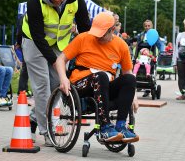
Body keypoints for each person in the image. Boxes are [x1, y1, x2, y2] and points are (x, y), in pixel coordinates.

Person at [21, 0, 91, 146]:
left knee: (57, 86)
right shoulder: (35, 1)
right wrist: (56, 62)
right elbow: (38, 37)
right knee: (43, 86)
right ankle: (47, 132)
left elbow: (85, 28)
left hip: (58, 44)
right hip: (34, 42)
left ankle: (32, 121)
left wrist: (89, 53)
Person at [56, 12, 139, 143]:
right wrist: (63, 78)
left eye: (101, 34)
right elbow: (61, 59)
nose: (97, 37)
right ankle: (105, 126)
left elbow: (127, 71)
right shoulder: (83, 38)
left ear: (112, 30)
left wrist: (133, 97)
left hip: (105, 86)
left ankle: (121, 125)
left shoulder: (121, 45)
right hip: (81, 84)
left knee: (130, 79)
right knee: (101, 76)